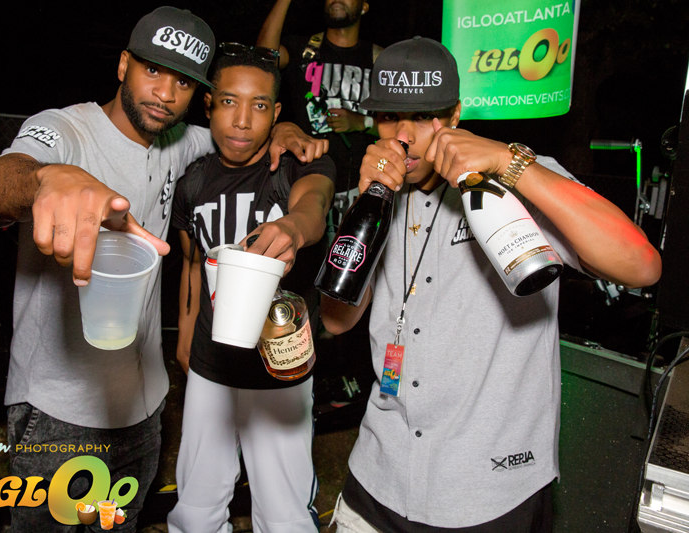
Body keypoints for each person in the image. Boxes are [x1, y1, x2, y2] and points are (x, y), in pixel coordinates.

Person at [0, 7, 326, 532]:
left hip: (144, 407)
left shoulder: (181, 142)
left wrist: (286, 128)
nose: (165, 93)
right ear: (123, 65)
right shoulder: (64, 130)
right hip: (60, 409)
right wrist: (48, 180)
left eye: (183, 81)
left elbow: (242, 133)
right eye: (153, 70)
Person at [321, 37, 662, 532]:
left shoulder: (515, 178)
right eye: (390, 117)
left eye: (424, 116)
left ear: (455, 115)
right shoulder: (377, 195)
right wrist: (367, 199)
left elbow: (642, 265)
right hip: (380, 473)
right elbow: (336, 319)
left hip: (487, 490)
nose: (405, 136)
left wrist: (509, 162)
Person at [166, 45, 335, 533]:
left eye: (259, 105)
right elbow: (193, 262)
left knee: (284, 515)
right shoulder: (193, 181)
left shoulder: (297, 162)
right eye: (229, 102)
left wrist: (293, 227)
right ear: (208, 105)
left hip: (279, 365)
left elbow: (314, 203)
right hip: (210, 363)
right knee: (195, 510)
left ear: (277, 113)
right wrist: (184, 336)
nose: (242, 120)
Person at [257, 0, 381, 404]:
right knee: (309, 286)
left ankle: (356, 381)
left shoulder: (377, 57)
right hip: (309, 188)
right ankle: (308, 382)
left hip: (363, 191)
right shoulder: (304, 48)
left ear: (365, 5)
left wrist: (362, 121)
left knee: (358, 288)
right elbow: (263, 57)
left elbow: (405, 119)